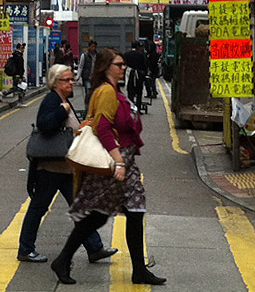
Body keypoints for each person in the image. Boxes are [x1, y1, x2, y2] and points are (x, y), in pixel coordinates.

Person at [51, 48, 166, 286]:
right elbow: (102, 127)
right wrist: (119, 162)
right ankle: (63, 259)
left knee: (128, 213)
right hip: (114, 163)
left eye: (124, 65)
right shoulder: (106, 92)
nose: (123, 68)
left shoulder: (114, 91)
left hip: (123, 163)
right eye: (119, 64)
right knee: (99, 216)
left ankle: (138, 270)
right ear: (106, 67)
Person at [17, 64, 117, 263]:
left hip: (65, 168)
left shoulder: (63, 100)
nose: (72, 82)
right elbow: (44, 125)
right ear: (55, 83)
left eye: (72, 79)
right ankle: (25, 249)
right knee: (38, 208)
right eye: (67, 80)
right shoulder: (52, 100)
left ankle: (94, 247)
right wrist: (62, 112)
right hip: (51, 168)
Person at [124, 41, 147, 112]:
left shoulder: (126, 54)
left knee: (130, 92)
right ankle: (138, 109)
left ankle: (130, 108)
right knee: (139, 92)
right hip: (139, 75)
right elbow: (144, 65)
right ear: (137, 47)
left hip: (129, 74)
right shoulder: (141, 54)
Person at [3, 43, 27, 107]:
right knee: (20, 88)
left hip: (17, 75)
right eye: (22, 48)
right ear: (19, 48)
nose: (23, 49)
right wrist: (20, 76)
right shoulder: (18, 56)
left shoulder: (16, 55)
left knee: (17, 87)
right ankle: (19, 102)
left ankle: (4, 93)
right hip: (17, 75)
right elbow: (19, 67)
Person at [76, 40, 97, 109]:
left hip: (95, 78)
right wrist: (78, 76)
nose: (93, 48)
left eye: (94, 47)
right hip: (87, 77)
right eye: (92, 46)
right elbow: (81, 66)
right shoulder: (84, 55)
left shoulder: (97, 56)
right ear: (89, 47)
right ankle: (87, 108)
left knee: (94, 94)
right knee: (88, 92)